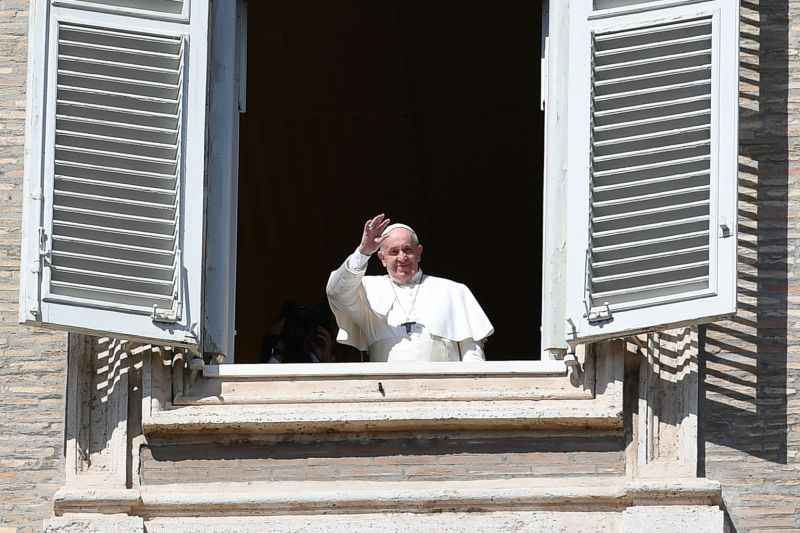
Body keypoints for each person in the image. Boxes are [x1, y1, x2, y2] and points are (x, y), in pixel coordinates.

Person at [326, 214, 493, 362]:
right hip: (387, 390)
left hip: (443, 389)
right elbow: (336, 292)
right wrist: (363, 252)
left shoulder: (453, 291)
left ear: (419, 252)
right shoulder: (367, 289)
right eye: (393, 252)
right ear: (382, 258)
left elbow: (472, 353)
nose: (402, 257)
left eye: (408, 250)